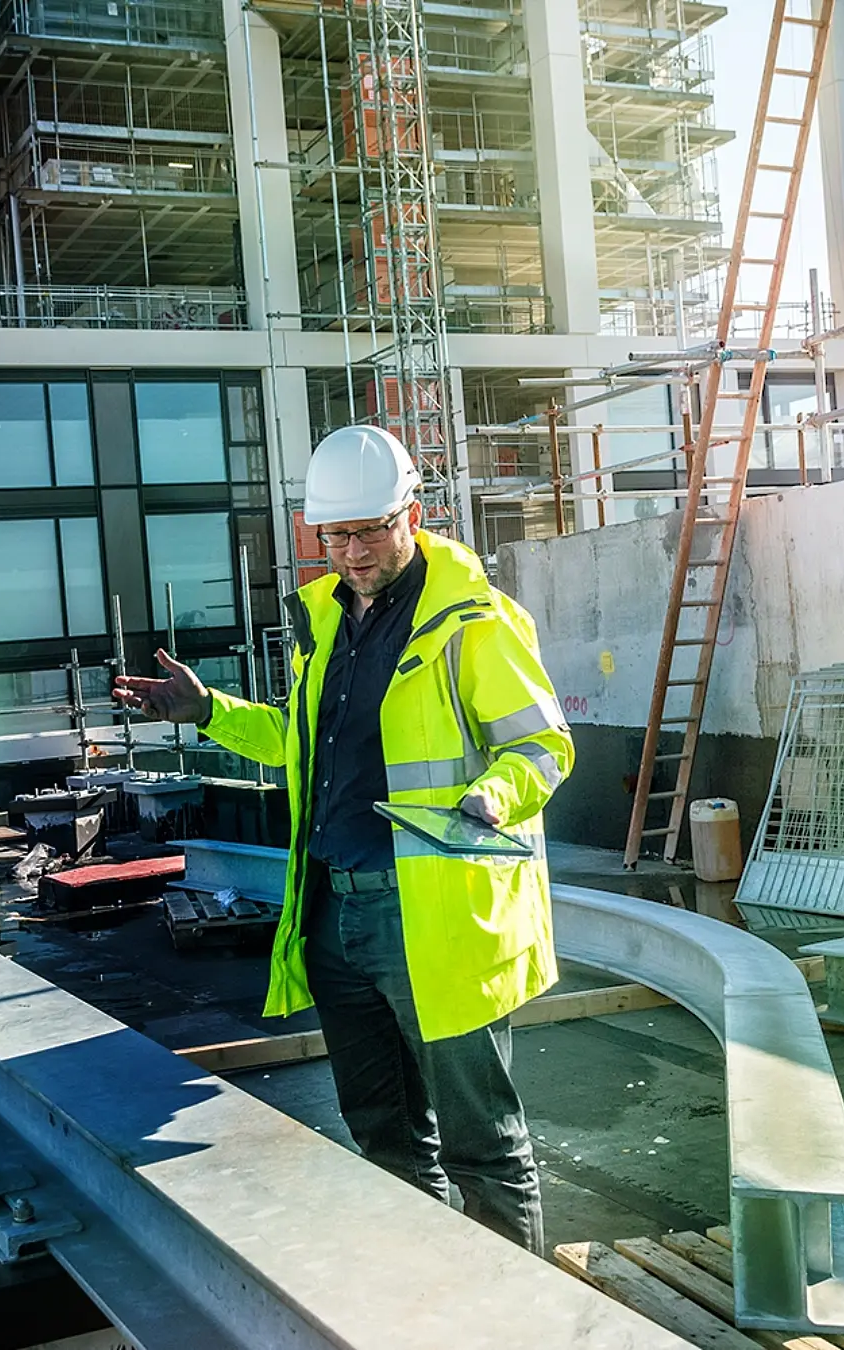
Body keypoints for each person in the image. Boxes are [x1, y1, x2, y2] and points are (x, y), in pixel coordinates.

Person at [112, 424, 573, 1254]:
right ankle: (430, 1301)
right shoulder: (325, 621)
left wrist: (495, 795)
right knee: (385, 1139)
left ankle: (516, 1322)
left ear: (414, 514)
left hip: (437, 914)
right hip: (334, 914)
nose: (352, 553)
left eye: (369, 530)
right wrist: (208, 711)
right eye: (335, 536)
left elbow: (543, 746)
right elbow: (304, 742)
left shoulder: (478, 621)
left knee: (484, 1147)